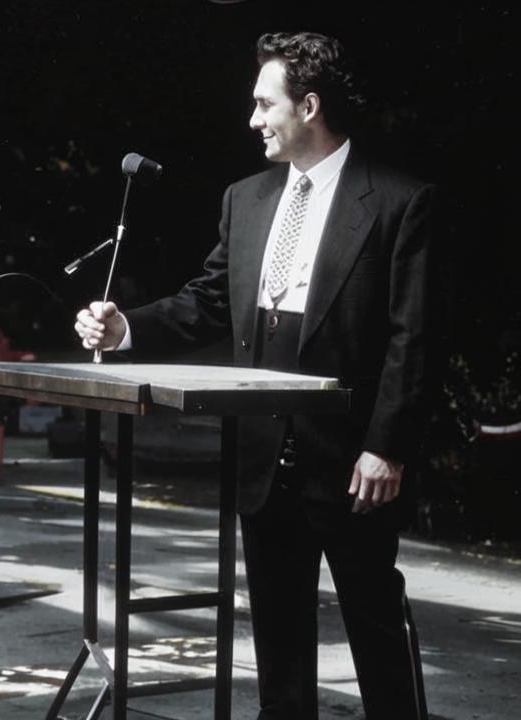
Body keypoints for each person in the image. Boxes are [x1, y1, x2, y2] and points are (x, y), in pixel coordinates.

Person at [75, 32, 436, 720]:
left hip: (353, 456)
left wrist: (386, 445)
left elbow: (411, 337)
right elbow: (209, 301)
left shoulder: (397, 201)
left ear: (309, 105)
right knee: (278, 638)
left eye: (263, 104)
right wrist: (126, 328)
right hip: (262, 455)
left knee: (374, 624)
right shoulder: (246, 199)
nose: (252, 120)